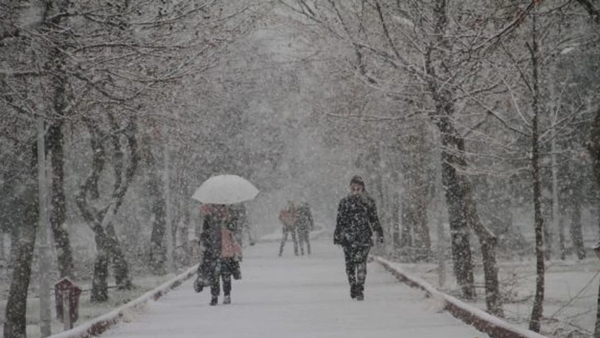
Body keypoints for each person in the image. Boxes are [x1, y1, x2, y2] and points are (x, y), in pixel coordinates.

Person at [334, 175, 384, 301]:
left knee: (361, 262)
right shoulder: (344, 203)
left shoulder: (368, 202)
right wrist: (338, 234)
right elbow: (340, 221)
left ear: (363, 189)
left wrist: (379, 232)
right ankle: (352, 285)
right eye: (353, 188)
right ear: (350, 189)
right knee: (350, 263)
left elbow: (374, 219)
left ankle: (360, 286)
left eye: (358, 188)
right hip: (348, 238)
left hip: (364, 237)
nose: (356, 191)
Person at [197, 204, 242, 306]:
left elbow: (233, 229)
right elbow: (204, 232)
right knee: (214, 275)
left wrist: (227, 222)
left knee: (226, 274)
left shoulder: (229, 215)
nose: (218, 209)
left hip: (226, 250)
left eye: (220, 206)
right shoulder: (208, 216)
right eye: (216, 206)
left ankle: (227, 295)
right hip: (213, 249)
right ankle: (214, 296)